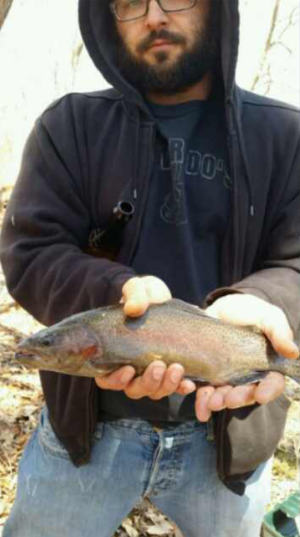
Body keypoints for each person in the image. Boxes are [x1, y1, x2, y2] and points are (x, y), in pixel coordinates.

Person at [1, 0, 299, 535]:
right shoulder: (68, 127)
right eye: (129, 3)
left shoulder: (287, 137)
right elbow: (32, 249)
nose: (154, 16)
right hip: (84, 438)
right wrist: (116, 289)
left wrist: (268, 304)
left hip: (230, 438)